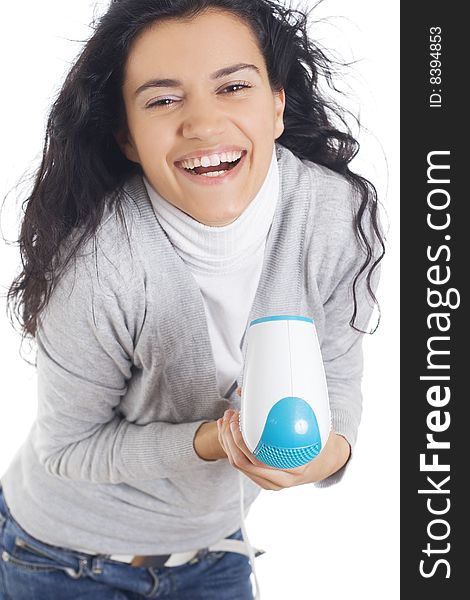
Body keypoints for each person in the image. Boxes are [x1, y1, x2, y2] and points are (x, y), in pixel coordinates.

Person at [0, 1, 385, 598]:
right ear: (127, 136)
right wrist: (214, 440)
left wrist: (330, 453)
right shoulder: (103, 267)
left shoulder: (336, 216)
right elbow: (68, 449)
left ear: (277, 104)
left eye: (233, 86)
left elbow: (336, 368)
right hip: (63, 558)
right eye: (163, 99)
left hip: (215, 550)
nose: (203, 125)